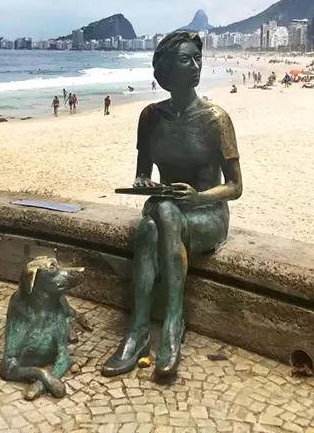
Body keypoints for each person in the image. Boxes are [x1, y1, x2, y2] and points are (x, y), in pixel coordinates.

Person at [101, 30, 242, 380]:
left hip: (206, 212)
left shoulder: (216, 119)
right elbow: (141, 175)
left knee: (155, 222)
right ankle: (151, 330)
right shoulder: (150, 118)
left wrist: (198, 198)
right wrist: (143, 185)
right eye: (185, 59)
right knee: (154, 222)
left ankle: (155, 328)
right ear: (164, 69)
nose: (195, 66)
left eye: (197, 58)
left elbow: (235, 187)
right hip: (168, 211)